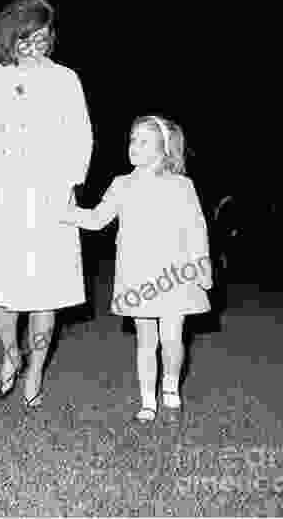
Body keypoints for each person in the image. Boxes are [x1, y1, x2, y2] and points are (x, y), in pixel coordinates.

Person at [0, 0, 93, 409]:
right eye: (25, 40)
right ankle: (11, 354)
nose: (34, 46)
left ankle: (34, 370)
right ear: (8, 40)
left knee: (43, 295)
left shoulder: (66, 79)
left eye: (41, 37)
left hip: (50, 198)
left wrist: (69, 185)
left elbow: (82, 136)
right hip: (2, 197)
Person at [60, 115, 212, 423]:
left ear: (164, 149)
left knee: (171, 337)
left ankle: (170, 386)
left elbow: (197, 228)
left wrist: (202, 266)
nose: (134, 146)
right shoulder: (122, 184)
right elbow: (97, 219)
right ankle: (147, 400)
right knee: (146, 339)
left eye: (143, 141)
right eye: (132, 140)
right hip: (138, 272)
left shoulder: (182, 185)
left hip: (176, 273)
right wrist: (65, 213)